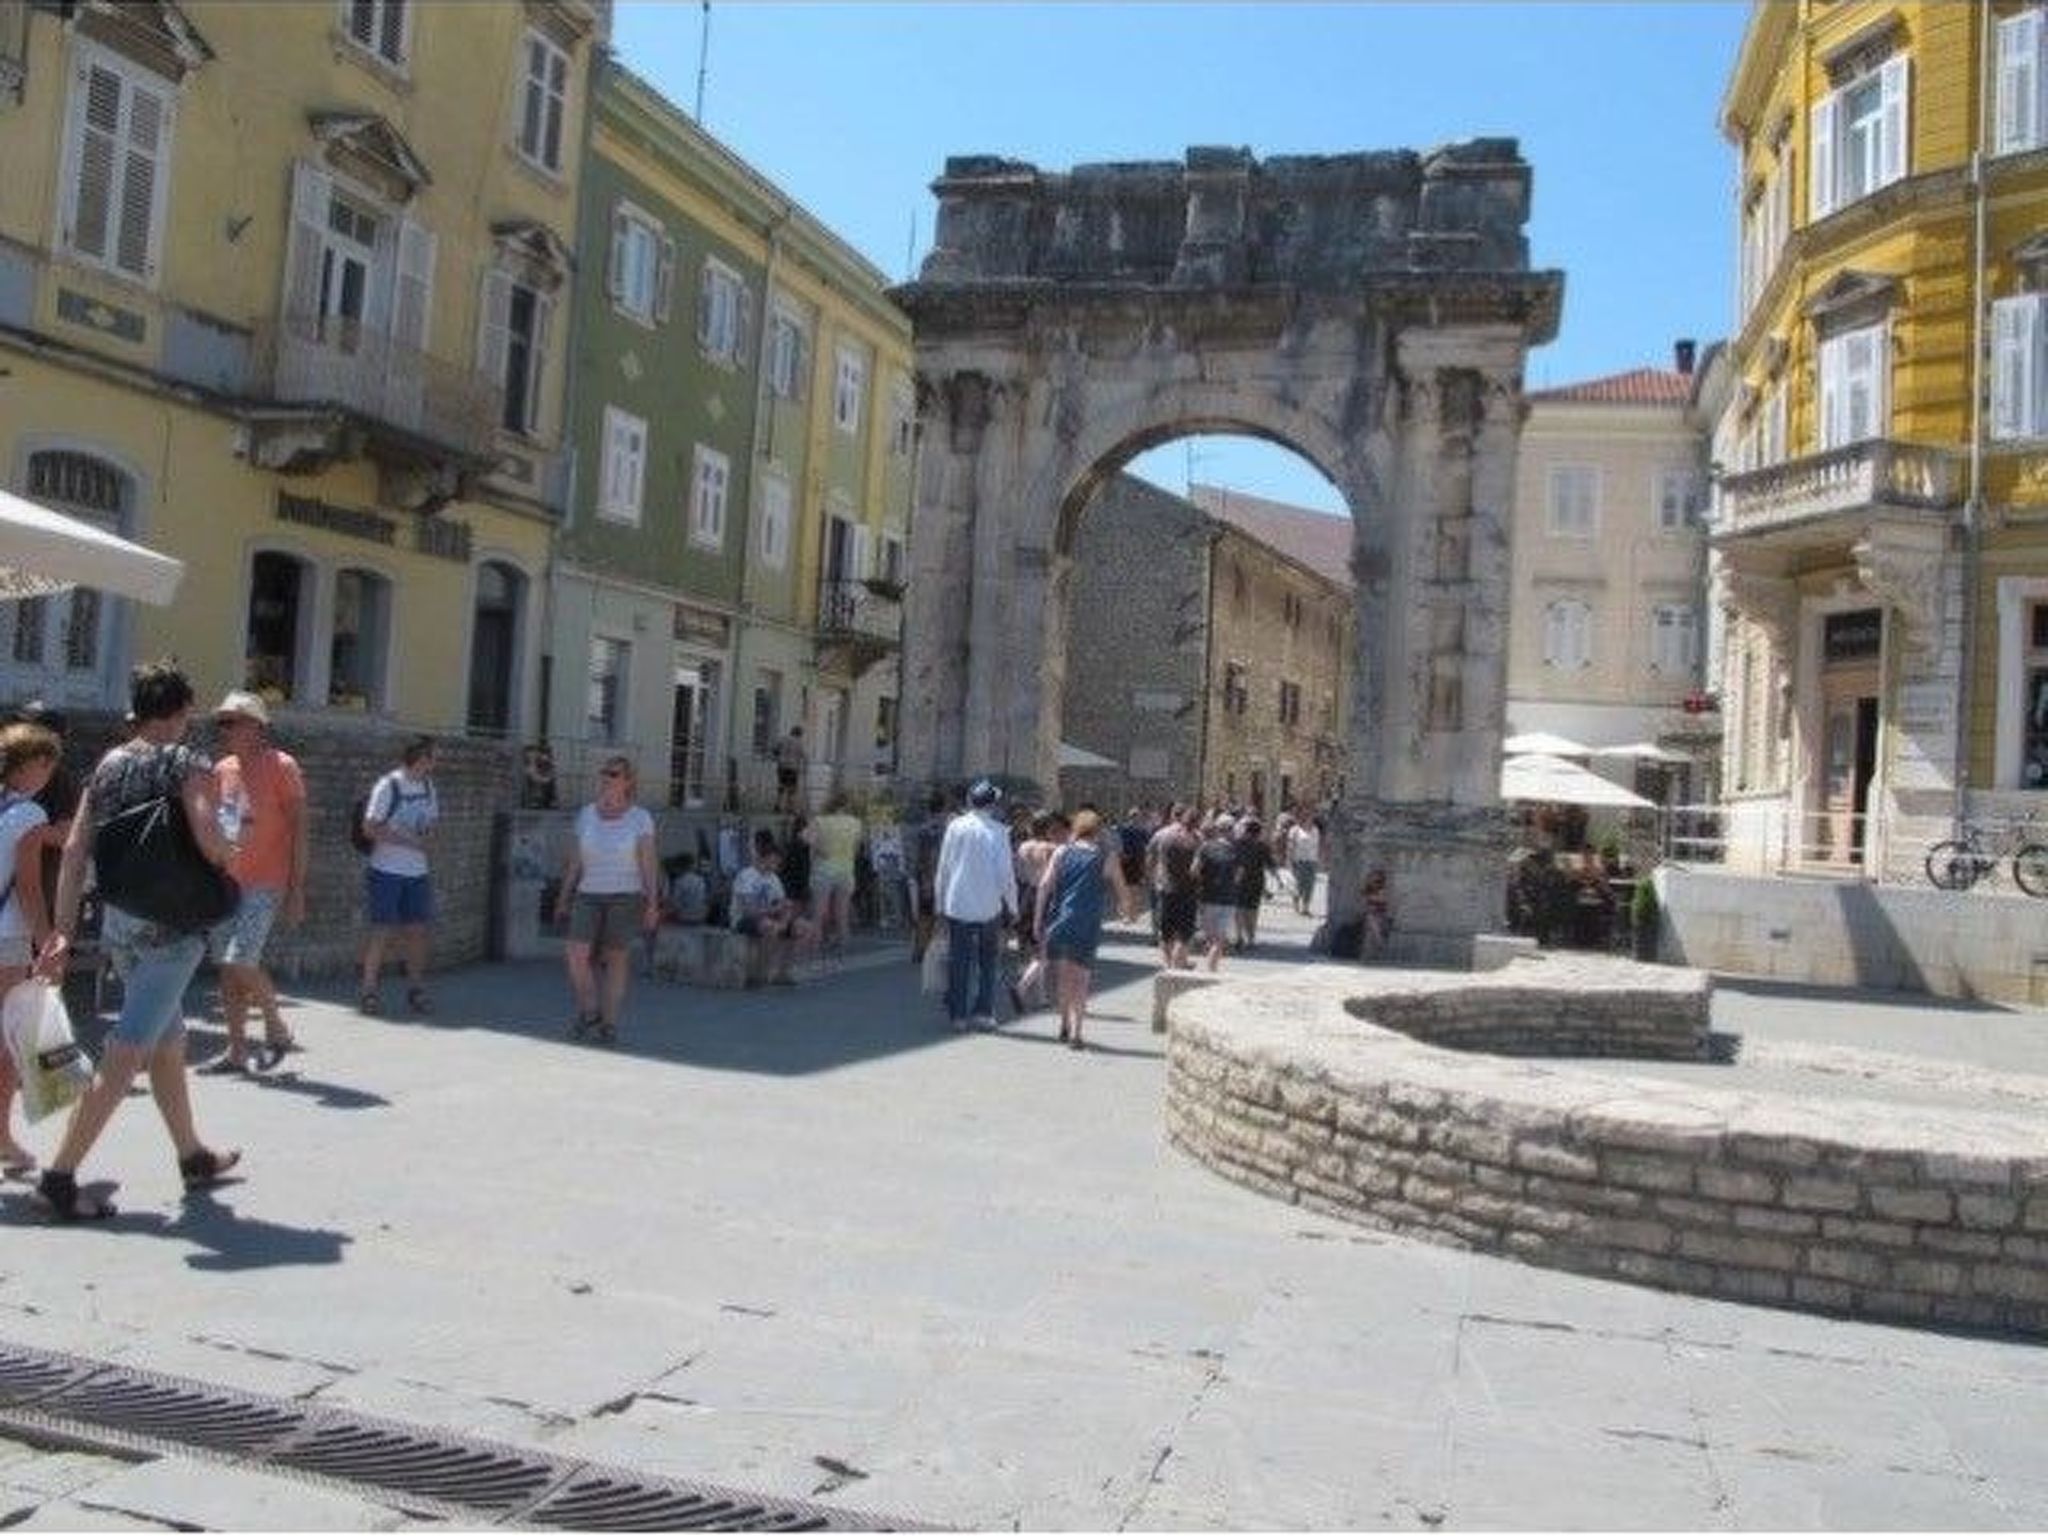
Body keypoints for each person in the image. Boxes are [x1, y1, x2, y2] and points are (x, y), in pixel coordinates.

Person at [32, 660, 241, 1220]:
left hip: (121, 923)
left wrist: (62, 930)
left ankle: (192, 1154)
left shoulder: (110, 765)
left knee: (167, 1041)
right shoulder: (189, 762)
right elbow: (209, 839)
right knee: (126, 1053)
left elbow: (76, 852)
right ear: (180, 711)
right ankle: (59, 1176)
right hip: (172, 929)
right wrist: (230, 845)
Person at [202, 691, 307, 1075]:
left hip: (266, 880)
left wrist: (296, 888)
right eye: (222, 722)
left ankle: (275, 1024)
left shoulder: (283, 766)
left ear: (257, 727)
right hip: (225, 881)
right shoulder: (221, 769)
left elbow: (300, 830)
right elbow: (216, 825)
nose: (224, 729)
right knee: (228, 971)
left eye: (233, 721)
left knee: (239, 958)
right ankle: (236, 1051)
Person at [556, 755, 659, 1044]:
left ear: (627, 781)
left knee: (616, 958)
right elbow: (575, 861)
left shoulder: (640, 818)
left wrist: (652, 903)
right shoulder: (587, 813)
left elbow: (648, 863)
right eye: (604, 772)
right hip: (588, 893)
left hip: (626, 896)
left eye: (613, 774)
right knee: (576, 954)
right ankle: (590, 1011)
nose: (606, 777)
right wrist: (563, 897)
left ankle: (609, 1023)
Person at [0, 721, 62, 1174]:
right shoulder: (29, 816)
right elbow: (29, 886)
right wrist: (48, 942)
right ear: (35, 764)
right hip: (8, 936)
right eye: (49, 763)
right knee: (7, 1042)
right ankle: (2, 1138)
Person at [1034, 807, 1132, 1050]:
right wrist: (1126, 911)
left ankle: (1064, 1022)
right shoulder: (1105, 857)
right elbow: (1122, 890)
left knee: (1063, 977)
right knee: (1082, 980)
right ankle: (1077, 1032)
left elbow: (1044, 887)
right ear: (1097, 832)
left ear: (1076, 829)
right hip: (1087, 924)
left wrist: (1038, 920)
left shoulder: (1061, 852)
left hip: (1059, 921)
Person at [357, 736, 440, 1018]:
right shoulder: (388, 786)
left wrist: (428, 833)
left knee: (417, 933)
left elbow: (431, 821)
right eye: (432, 758)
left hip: (418, 872)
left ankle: (416, 990)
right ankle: (368, 992)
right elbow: (369, 828)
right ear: (420, 759)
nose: (436, 763)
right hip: (386, 871)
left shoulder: (428, 786)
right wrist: (411, 842)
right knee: (381, 931)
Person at [935, 779, 1016, 1030]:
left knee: (959, 960)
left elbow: (944, 867)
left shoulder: (955, 827)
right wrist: (1013, 905)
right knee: (988, 960)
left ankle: (958, 1015)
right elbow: (1005, 873)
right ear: (992, 804)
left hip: (958, 902)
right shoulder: (999, 831)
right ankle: (984, 1011)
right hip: (988, 904)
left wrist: (940, 901)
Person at [729, 831, 815, 984]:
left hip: (769, 918)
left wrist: (784, 921)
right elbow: (749, 910)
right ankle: (759, 973)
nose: (778, 865)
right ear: (765, 859)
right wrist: (776, 912)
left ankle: (783, 972)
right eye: (775, 861)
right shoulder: (746, 876)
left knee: (803, 927)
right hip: (743, 919)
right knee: (769, 926)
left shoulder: (774, 878)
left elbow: (784, 905)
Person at [1147, 803, 1201, 970]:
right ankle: (1178, 965)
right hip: (1188, 891)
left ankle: (1167, 965)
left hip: (1165, 888)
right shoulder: (1198, 840)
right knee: (1183, 934)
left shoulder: (1164, 836)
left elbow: (1150, 858)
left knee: (1166, 932)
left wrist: (1151, 878)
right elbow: (1196, 870)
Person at [809, 793, 863, 955]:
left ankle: (815, 947)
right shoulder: (856, 823)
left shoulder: (819, 821)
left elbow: (807, 839)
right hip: (846, 869)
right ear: (846, 806)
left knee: (819, 912)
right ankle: (843, 947)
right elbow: (857, 847)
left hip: (824, 869)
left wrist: (820, 851)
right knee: (842, 912)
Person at [1194, 814, 1239, 971]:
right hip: (1228, 898)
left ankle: (1211, 965)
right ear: (1230, 830)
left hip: (1208, 897)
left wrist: (1204, 881)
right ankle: (1211, 968)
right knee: (1218, 939)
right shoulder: (1236, 850)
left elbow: (1194, 870)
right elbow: (1239, 875)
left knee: (1212, 937)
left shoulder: (1205, 847)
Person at [909, 788, 948, 962]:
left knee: (924, 915)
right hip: (941, 876)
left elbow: (920, 856)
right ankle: (931, 951)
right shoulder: (947, 828)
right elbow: (932, 855)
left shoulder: (924, 827)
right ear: (944, 807)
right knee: (939, 916)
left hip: (925, 875)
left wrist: (922, 877)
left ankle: (920, 949)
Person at [1231, 816, 1273, 949]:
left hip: (1239, 880)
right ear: (1258, 833)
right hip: (1256, 882)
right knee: (1252, 911)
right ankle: (1251, 939)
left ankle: (1239, 936)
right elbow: (1270, 865)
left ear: (1246, 830)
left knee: (1238, 909)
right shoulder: (1262, 846)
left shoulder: (1236, 843)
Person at [1287, 811, 1321, 915]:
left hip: (1312, 861)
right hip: (1299, 861)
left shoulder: (1315, 830)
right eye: (1307, 818)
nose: (1309, 820)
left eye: (1311, 818)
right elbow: (1290, 846)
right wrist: (1289, 860)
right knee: (1298, 884)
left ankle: (1306, 908)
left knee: (1310, 885)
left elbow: (1318, 844)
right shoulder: (1295, 830)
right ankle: (1296, 905)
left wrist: (1320, 858)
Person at [663, 853, 710, 925]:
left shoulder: (679, 881)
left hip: (684, 917)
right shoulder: (700, 879)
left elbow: (675, 902)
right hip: (701, 915)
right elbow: (705, 898)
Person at [774, 725, 807, 813]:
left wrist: (779, 757)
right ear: (799, 734)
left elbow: (775, 750)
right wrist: (804, 767)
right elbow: (803, 755)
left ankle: (777, 805)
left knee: (781, 786)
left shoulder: (783, 739)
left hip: (782, 766)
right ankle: (789, 808)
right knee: (792, 788)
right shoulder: (799, 742)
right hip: (793, 768)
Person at [521, 742, 558, 809]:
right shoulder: (528, 763)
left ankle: (549, 801)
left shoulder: (546, 762)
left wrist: (544, 777)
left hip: (542, 781)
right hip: (534, 781)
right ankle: (531, 801)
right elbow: (530, 773)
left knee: (549, 782)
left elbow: (551, 773)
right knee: (530, 781)